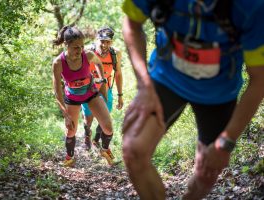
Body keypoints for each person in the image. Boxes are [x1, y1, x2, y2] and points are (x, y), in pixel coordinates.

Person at [121, 0, 264, 199]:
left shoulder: (251, 6)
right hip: (166, 78)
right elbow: (131, 24)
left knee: (207, 173)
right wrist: (144, 86)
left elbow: (259, 80)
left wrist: (226, 141)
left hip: (219, 93)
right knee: (133, 149)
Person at [52, 26, 115, 167]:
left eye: (81, 46)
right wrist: (65, 113)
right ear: (65, 44)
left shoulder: (88, 55)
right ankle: (70, 157)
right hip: (72, 98)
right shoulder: (58, 63)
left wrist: (101, 78)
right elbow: (56, 90)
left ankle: (105, 150)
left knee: (108, 127)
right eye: (75, 47)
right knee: (71, 130)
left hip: (91, 93)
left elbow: (98, 63)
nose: (79, 50)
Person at [81, 27, 123, 150]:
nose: (104, 45)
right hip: (89, 89)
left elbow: (118, 74)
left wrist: (120, 95)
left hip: (106, 88)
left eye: (108, 42)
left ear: (112, 42)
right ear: (96, 40)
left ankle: (96, 139)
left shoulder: (116, 54)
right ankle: (87, 136)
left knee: (105, 118)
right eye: (102, 41)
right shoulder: (88, 51)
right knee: (88, 118)